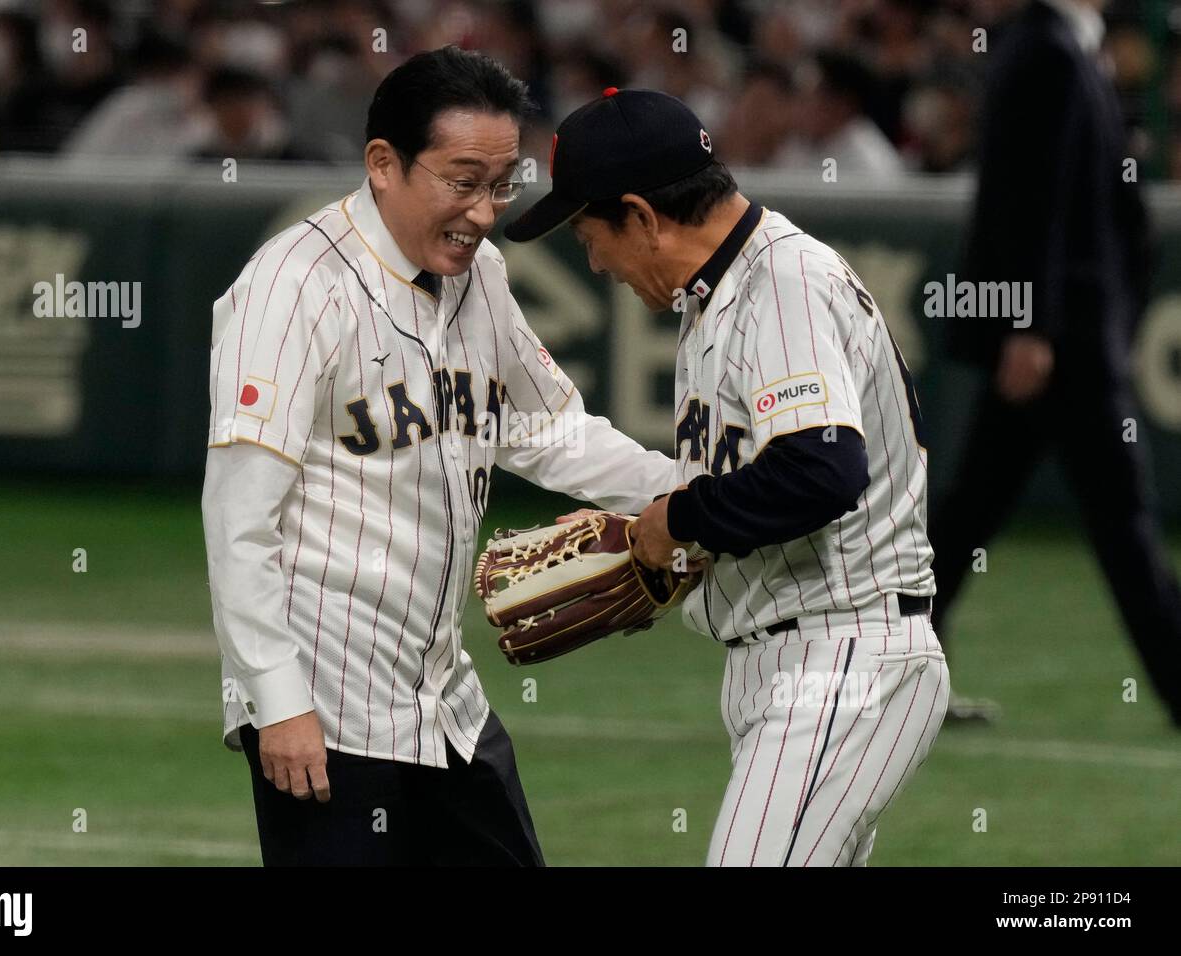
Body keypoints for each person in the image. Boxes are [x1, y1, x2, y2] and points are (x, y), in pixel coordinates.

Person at [202, 47, 681, 866]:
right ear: (382, 165)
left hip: (442, 699)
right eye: (463, 181)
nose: (486, 211)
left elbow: (546, 428)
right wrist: (273, 701)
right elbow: (237, 517)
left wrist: (697, 493)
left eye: (501, 184)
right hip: (326, 711)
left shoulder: (480, 275)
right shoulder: (290, 288)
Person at [505, 87, 947, 866]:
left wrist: (676, 520)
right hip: (793, 661)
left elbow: (820, 472)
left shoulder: (781, 286)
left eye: (588, 236)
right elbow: (764, 478)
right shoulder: (725, 294)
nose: (596, 262)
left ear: (641, 215)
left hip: (841, 661)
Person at [930, 0, 1181, 728]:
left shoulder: (1058, 47)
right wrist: (1029, 326)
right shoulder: (1048, 50)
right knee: (1121, 522)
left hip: (1060, 336)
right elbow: (1028, 199)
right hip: (1060, 342)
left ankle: (892, 677)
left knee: (972, 509)